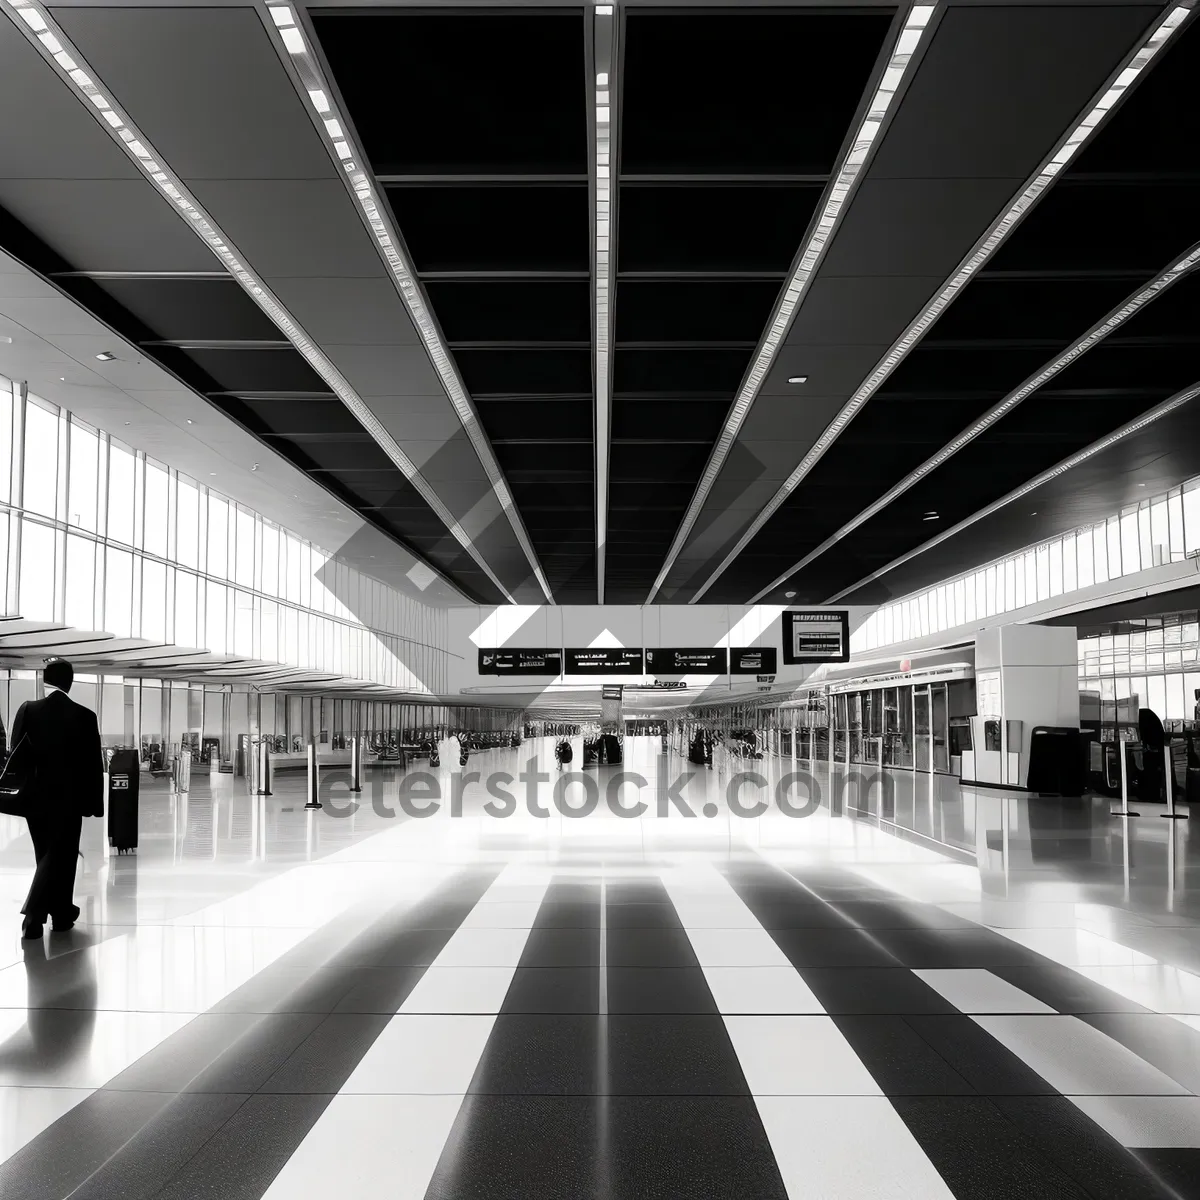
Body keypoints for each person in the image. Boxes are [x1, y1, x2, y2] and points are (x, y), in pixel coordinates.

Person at [11, 659, 103, 939]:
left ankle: (61, 913)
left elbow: (16, 754)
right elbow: (93, 766)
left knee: (47, 855)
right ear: (70, 683)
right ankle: (36, 916)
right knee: (62, 856)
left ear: (45, 681)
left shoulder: (28, 710)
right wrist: (94, 806)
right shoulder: (85, 716)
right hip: (70, 801)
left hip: (35, 800)